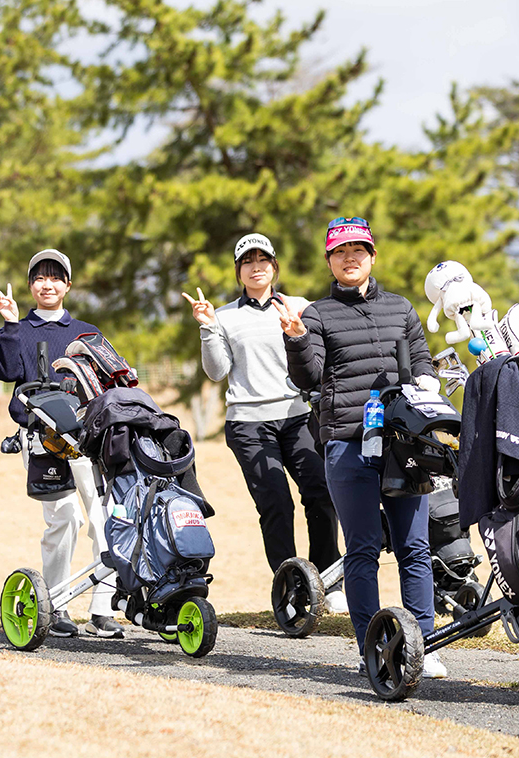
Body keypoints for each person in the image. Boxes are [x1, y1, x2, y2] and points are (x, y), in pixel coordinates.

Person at [274, 217, 448, 679]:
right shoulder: (316, 314)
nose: (350, 259)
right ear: (330, 261)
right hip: (347, 444)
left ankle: (424, 645)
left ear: (372, 256)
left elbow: (422, 358)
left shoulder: (401, 307)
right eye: (340, 253)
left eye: (358, 250)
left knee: (414, 546)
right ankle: (372, 645)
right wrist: (295, 339)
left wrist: (426, 383)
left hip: (403, 442)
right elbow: (308, 378)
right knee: (363, 548)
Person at [182, 233, 345, 612]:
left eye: (263, 260)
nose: (256, 267)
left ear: (275, 267)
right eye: (247, 261)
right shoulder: (223, 316)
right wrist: (207, 327)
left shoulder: (300, 306)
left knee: (322, 493)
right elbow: (216, 372)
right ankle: (290, 590)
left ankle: (328, 577)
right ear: (239, 271)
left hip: (298, 416)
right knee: (276, 504)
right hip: (249, 425)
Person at [0, 249, 124, 639]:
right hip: (43, 440)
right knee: (63, 520)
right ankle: (57, 606)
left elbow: (109, 380)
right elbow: (8, 372)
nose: (46, 285)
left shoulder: (86, 331)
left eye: (55, 277)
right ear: (31, 285)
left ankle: (103, 609)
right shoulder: (20, 329)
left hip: (88, 437)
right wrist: (11, 324)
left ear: (68, 284)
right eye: (39, 278)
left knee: (105, 517)